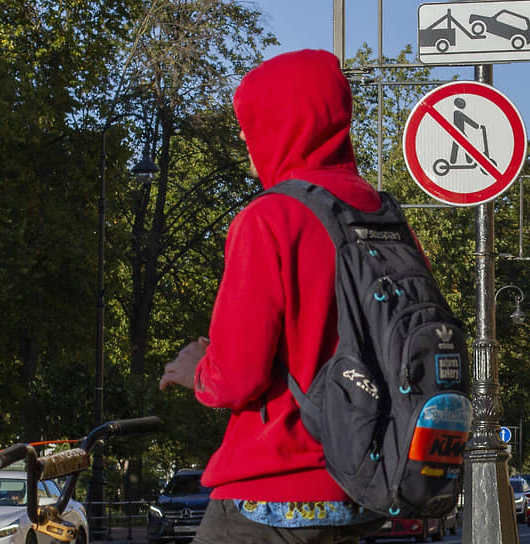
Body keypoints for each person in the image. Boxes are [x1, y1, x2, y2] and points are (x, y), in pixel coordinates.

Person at [159, 49, 386, 543]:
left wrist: (196, 367)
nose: (244, 136)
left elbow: (237, 378)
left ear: (283, 121)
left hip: (274, 490)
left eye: (250, 121)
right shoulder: (379, 213)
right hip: (362, 480)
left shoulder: (270, 218)